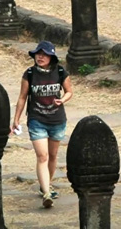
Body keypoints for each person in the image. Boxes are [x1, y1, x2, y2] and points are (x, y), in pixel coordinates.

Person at [12, 41, 73, 209]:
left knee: (53, 156)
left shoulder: (60, 72)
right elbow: (22, 97)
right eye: (38, 54)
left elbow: (69, 91)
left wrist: (63, 100)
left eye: (44, 54)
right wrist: (16, 118)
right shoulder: (30, 73)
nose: (40, 56)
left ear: (51, 57)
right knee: (42, 156)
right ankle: (46, 193)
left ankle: (47, 184)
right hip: (36, 119)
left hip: (57, 120)